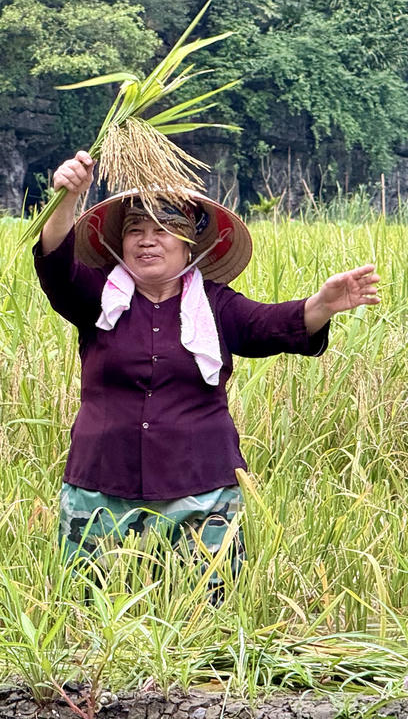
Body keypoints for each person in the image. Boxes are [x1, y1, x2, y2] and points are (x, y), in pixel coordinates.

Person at [35, 151, 379, 587]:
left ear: (188, 245)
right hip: (101, 485)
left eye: (162, 231)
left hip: (201, 489)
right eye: (135, 231)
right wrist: (68, 197)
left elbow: (270, 325)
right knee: (90, 615)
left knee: (204, 617)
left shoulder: (216, 305)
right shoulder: (97, 299)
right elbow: (55, 265)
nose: (147, 241)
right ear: (118, 244)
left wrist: (323, 305)